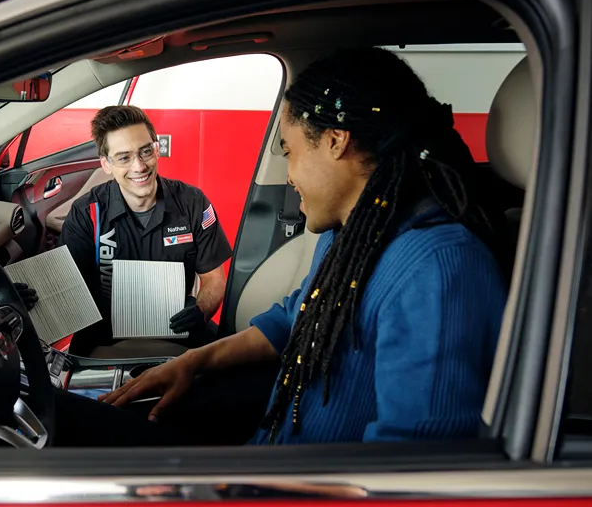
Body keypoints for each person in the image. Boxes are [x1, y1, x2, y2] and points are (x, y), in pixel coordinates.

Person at [55, 47, 507, 446]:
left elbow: (412, 473)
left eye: (288, 150)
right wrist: (194, 363)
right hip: (269, 440)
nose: (287, 174)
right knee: (68, 416)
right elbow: (296, 316)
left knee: (59, 423)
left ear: (335, 141)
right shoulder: (348, 234)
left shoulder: (438, 270)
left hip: (289, 486)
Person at [52, 105, 234, 357]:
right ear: (106, 164)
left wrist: (201, 310)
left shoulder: (193, 202)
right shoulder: (87, 213)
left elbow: (215, 279)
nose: (139, 166)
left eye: (145, 151)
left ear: (156, 150)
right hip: (106, 340)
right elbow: (66, 288)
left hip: (177, 332)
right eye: (124, 157)